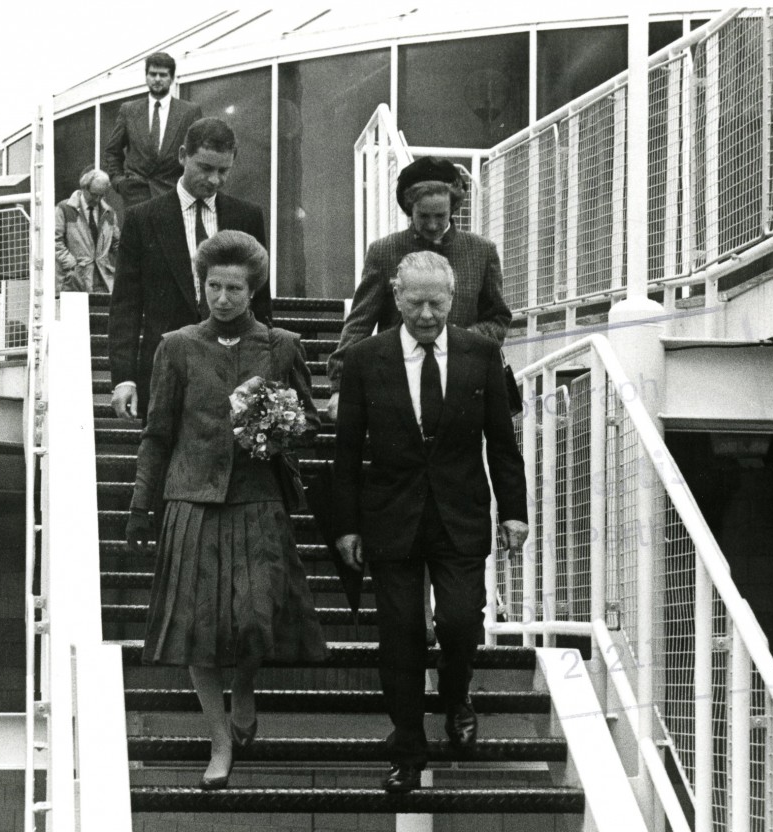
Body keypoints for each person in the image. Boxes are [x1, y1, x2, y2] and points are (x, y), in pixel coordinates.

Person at [125, 230, 325, 789]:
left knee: (255, 618)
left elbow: (309, 423)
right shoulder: (177, 346)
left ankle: (244, 690)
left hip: (257, 500)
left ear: (253, 289)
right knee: (196, 629)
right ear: (202, 285)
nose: (222, 298)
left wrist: (281, 422)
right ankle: (218, 742)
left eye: (234, 288)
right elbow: (157, 433)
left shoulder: (282, 345)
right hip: (192, 500)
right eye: (213, 286)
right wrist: (141, 506)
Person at [332, 251, 529, 794]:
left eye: (436, 303)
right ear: (395, 297)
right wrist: (346, 525)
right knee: (399, 635)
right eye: (414, 302)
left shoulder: (481, 354)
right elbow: (347, 451)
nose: (425, 313)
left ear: (451, 300)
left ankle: (457, 695)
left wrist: (514, 510)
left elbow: (502, 444)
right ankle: (407, 747)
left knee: (461, 622)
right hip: (391, 516)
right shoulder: (366, 358)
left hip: (460, 513)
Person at [109, 117, 271, 419]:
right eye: (205, 168)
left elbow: (260, 302)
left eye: (224, 171)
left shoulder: (248, 217)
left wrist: (260, 371)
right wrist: (124, 377)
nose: (214, 180)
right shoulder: (142, 219)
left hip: (233, 372)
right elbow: (125, 307)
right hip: (164, 372)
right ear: (183, 155)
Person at [326, 156, 511, 421]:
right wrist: (339, 386)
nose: (433, 225)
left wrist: (463, 339)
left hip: (460, 383)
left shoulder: (482, 252)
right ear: (409, 209)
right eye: (424, 216)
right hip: (396, 385)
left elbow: (499, 318)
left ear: (454, 208)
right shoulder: (384, 251)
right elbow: (359, 323)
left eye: (441, 216)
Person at [103, 52, 203, 209]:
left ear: (171, 78)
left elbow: (197, 154)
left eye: (163, 75)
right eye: (152, 74)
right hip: (135, 197)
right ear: (146, 77)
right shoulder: (128, 110)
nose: (157, 79)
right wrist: (118, 182)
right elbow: (112, 151)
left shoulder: (189, 112)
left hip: (173, 196)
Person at [55, 169, 120, 296]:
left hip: (102, 279)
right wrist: (71, 264)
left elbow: (116, 244)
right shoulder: (64, 208)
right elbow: (55, 241)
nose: (97, 199)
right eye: (94, 194)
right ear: (84, 188)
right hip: (73, 280)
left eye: (102, 195)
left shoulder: (109, 213)